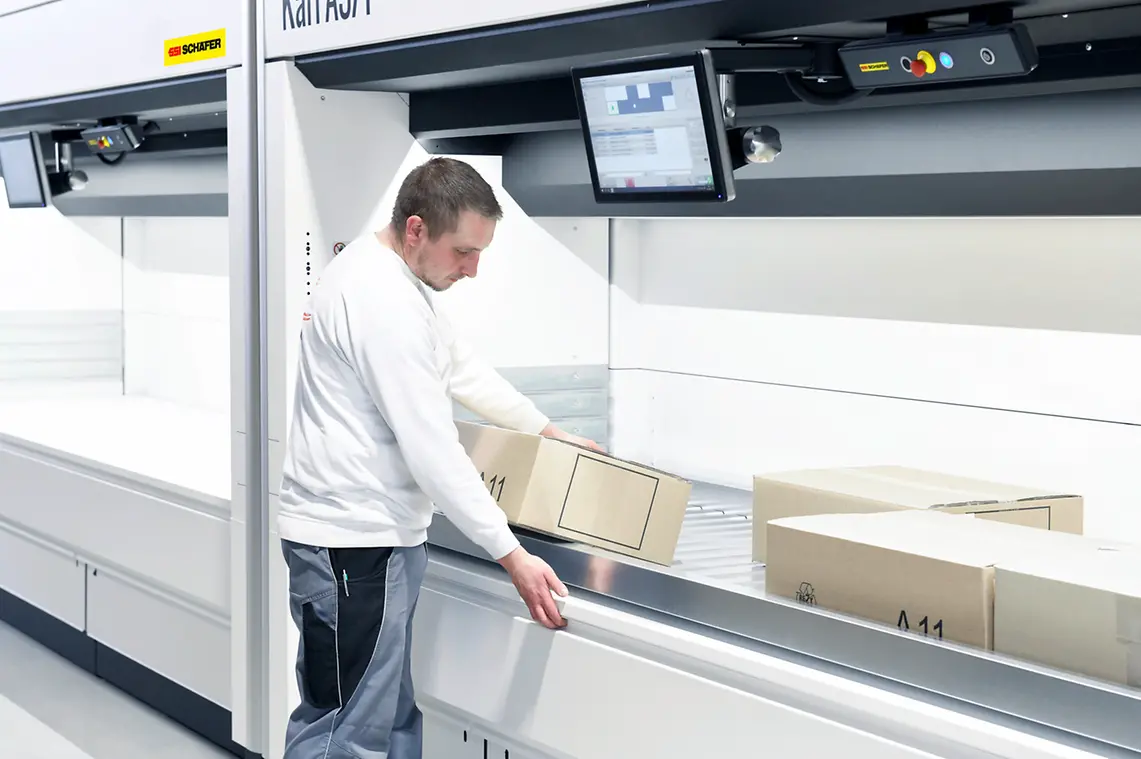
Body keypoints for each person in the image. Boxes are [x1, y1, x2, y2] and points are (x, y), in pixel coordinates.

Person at [276, 156, 602, 759]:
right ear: (417, 229)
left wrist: (544, 430)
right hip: (353, 546)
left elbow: (459, 367)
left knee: (389, 718)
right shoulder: (382, 300)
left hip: (375, 541)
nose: (473, 269)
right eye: (464, 252)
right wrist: (512, 554)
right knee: (345, 730)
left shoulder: (392, 277)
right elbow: (431, 448)